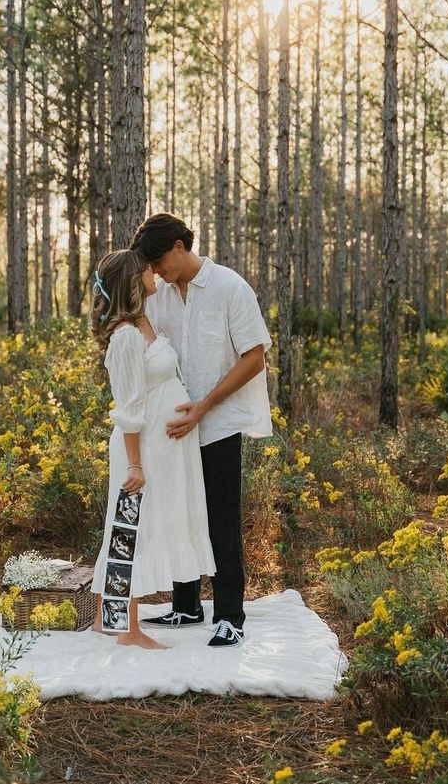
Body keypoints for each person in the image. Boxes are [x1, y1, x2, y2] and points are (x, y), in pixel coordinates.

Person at [131, 213, 272, 648]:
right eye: (149, 266)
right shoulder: (158, 296)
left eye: (158, 261)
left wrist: (204, 407)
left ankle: (230, 614)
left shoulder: (230, 287)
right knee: (179, 513)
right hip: (173, 426)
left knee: (220, 521)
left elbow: (254, 357)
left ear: (179, 245)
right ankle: (187, 605)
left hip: (217, 423)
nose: (155, 271)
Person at [89, 249, 216, 649]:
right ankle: (127, 629)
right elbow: (128, 408)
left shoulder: (144, 319)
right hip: (140, 450)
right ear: (132, 278)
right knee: (132, 529)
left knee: (134, 527)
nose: (153, 272)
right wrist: (135, 465)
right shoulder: (125, 337)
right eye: (146, 268)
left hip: (163, 447)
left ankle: (102, 619)